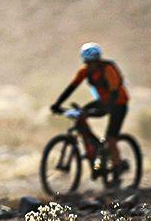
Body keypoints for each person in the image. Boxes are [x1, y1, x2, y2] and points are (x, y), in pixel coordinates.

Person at [50, 42, 130, 174]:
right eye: (89, 62)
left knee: (110, 139)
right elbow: (71, 87)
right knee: (81, 115)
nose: (91, 65)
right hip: (104, 101)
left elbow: (115, 91)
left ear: (98, 60)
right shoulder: (85, 71)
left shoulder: (108, 69)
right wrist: (57, 104)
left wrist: (103, 109)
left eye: (94, 62)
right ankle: (96, 151)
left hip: (118, 103)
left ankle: (118, 166)